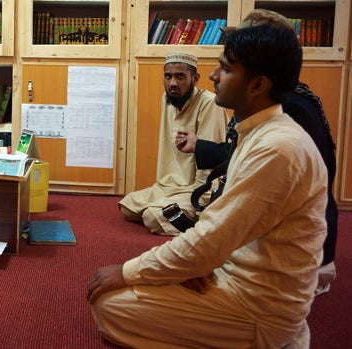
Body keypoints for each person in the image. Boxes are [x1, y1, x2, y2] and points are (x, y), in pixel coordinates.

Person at [87, 25, 326, 348]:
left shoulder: (277, 148)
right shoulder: (260, 132)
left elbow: (213, 234)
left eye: (225, 68)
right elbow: (223, 231)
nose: (214, 75)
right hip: (232, 272)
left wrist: (128, 271)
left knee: (110, 305)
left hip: (258, 306)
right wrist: (201, 264)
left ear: (258, 84)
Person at [175, 9, 338, 295]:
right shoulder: (275, 103)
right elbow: (238, 157)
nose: (217, 72)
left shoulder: (290, 110)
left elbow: (261, 201)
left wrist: (206, 256)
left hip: (278, 259)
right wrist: (198, 146)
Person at [118, 51, 229, 235]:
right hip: (167, 187)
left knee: (152, 217)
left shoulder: (209, 104)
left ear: (195, 78)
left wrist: (202, 201)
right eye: (168, 77)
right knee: (127, 206)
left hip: (196, 189)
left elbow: (212, 160)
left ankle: (203, 225)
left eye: (180, 77)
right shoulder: (168, 99)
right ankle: (166, 207)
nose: (173, 83)